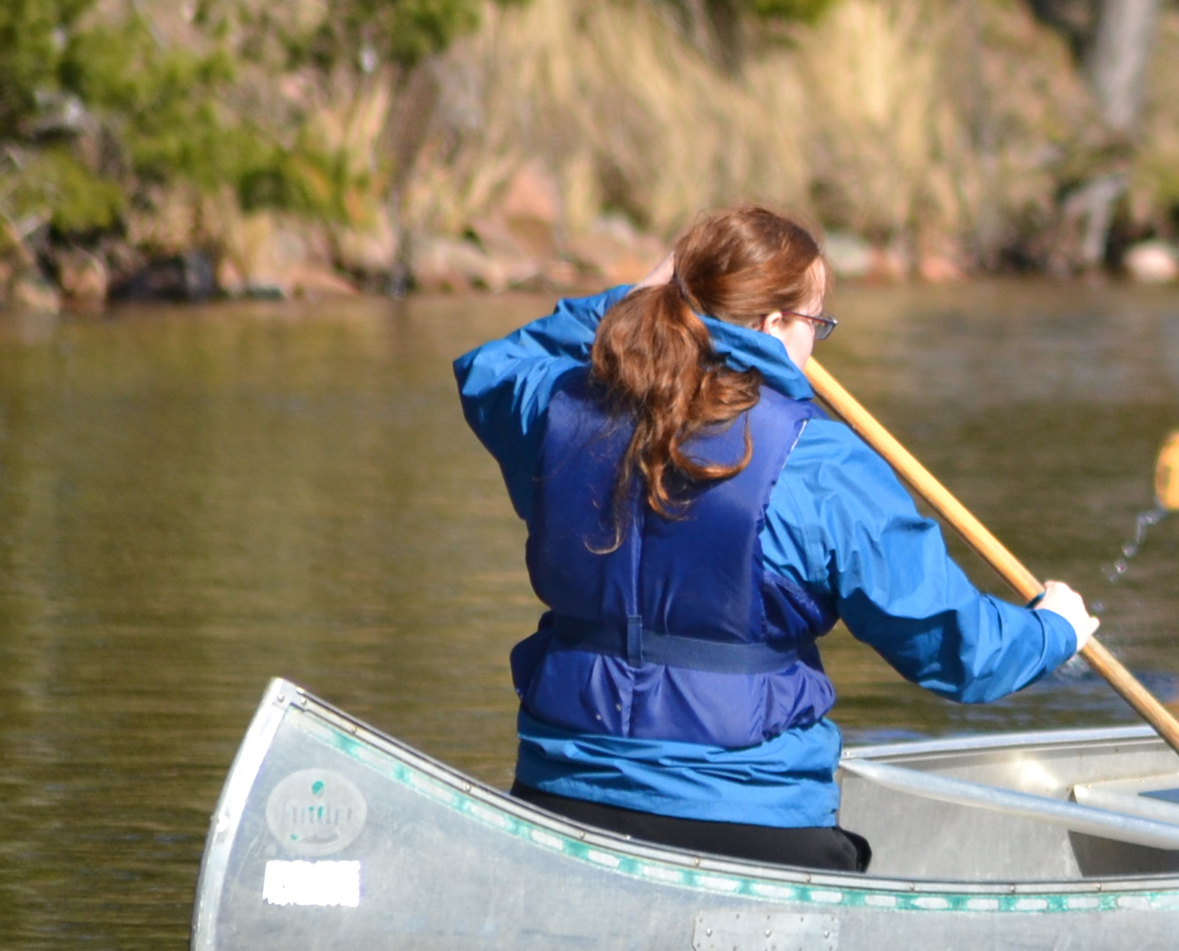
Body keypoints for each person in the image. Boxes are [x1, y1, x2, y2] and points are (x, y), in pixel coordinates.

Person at [454, 204, 1097, 874]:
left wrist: (641, 297)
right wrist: (1053, 630)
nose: (816, 345)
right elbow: (960, 652)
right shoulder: (821, 465)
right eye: (815, 323)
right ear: (771, 324)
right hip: (750, 818)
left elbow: (492, 366)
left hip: (559, 799)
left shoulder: (559, 411)